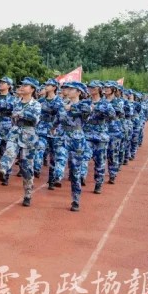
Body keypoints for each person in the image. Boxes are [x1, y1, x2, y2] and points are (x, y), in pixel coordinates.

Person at [0, 78, 42, 207]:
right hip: (15, 131)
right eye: (22, 85)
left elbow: (34, 119)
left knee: (27, 167)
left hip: (29, 135)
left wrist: (21, 114)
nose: (22, 87)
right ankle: (3, 169)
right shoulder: (16, 102)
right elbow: (11, 116)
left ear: (32, 89)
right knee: (9, 151)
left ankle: (28, 194)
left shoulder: (36, 104)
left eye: (26, 85)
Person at [59, 81, 92, 212]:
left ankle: (76, 199)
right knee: (60, 156)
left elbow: (87, 111)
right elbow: (58, 118)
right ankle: (57, 176)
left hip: (77, 138)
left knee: (75, 171)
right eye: (68, 89)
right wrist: (53, 128)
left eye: (72, 89)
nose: (68, 91)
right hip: (63, 136)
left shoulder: (84, 104)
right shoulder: (63, 103)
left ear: (79, 92)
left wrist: (71, 108)